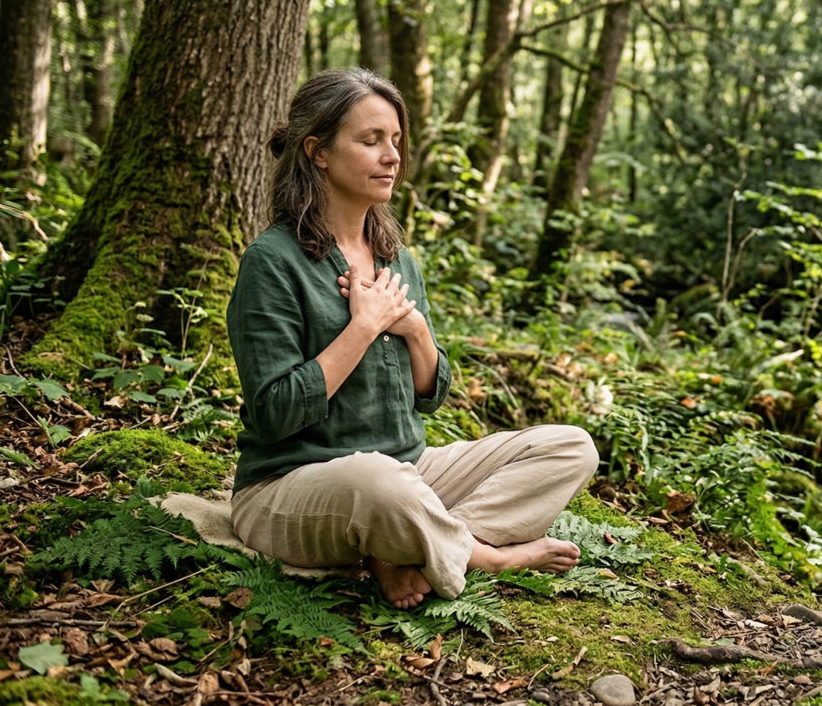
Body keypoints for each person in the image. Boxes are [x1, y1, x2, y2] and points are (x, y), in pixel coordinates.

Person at [227, 68, 598, 609]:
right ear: (318, 152)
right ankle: (483, 554)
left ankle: (408, 547)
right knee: (379, 483)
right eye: (371, 139)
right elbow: (275, 412)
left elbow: (428, 394)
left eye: (396, 141)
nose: (392, 156)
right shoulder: (272, 262)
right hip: (294, 485)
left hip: (410, 470)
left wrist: (416, 330)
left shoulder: (395, 258)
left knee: (571, 448)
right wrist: (363, 327)